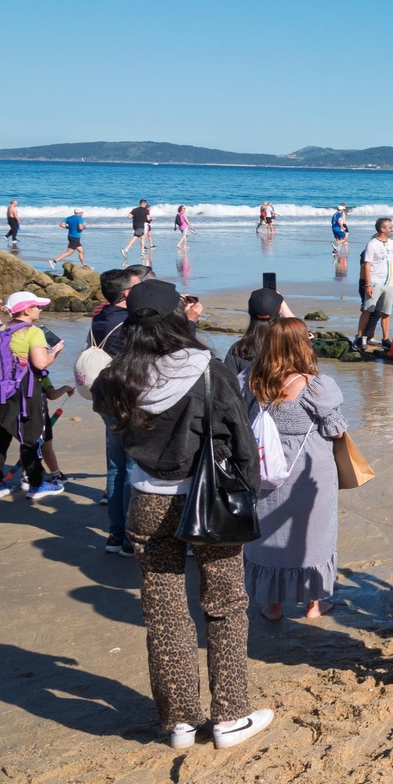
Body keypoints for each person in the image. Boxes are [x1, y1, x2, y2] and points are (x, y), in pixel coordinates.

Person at [90, 279, 273, 750]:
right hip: (208, 497)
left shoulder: (117, 376)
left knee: (163, 610)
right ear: (177, 315)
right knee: (225, 604)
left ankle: (180, 722)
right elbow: (241, 438)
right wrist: (249, 494)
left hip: (147, 498)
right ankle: (230, 716)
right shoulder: (208, 369)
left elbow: (112, 422)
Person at [243, 317, 347, 620]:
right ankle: (314, 604)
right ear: (303, 345)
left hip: (264, 468)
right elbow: (336, 431)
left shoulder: (250, 381)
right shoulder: (315, 387)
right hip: (307, 471)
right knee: (312, 535)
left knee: (267, 536)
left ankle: (273, 604)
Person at [0, 291, 66, 499]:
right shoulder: (34, 332)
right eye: (37, 306)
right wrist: (55, 352)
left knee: (1, 436)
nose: (40, 309)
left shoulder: (2, 328)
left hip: (2, 389)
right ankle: (36, 484)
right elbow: (40, 363)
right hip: (26, 390)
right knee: (31, 437)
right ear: (27, 310)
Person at [90, 269, 139, 550]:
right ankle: (129, 538)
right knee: (131, 467)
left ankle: (115, 534)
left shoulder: (100, 316)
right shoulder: (128, 322)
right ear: (127, 293)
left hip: (104, 396)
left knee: (116, 467)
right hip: (126, 399)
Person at [355, 218, 393, 351]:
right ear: (382, 229)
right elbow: (367, 265)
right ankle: (359, 338)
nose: (392, 229)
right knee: (368, 310)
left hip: (389, 284)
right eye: (390, 227)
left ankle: (385, 339)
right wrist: (368, 284)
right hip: (375, 282)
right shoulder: (372, 244)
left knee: (386, 312)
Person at [224, 288, 292, 375]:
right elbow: (300, 334)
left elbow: (227, 381)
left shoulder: (238, 350)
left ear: (249, 312)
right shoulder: (289, 346)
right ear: (279, 311)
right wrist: (286, 312)